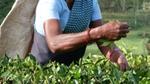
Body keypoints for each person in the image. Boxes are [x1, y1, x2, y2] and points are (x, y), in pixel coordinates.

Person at [31, 0, 129, 71]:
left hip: (73, 70)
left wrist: (117, 54)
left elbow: (102, 40)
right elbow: (54, 43)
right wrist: (98, 32)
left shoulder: (89, 2)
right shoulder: (50, 2)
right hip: (43, 69)